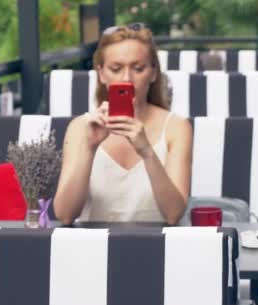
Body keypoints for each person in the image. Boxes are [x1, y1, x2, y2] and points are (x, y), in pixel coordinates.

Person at [53, 23, 192, 225]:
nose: (127, 78)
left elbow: (173, 214)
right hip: (94, 249)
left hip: (159, 249)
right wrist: (89, 148)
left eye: (138, 68)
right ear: (101, 74)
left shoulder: (176, 127)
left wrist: (147, 152)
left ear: (153, 73)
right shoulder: (81, 127)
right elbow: (65, 215)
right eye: (116, 69)